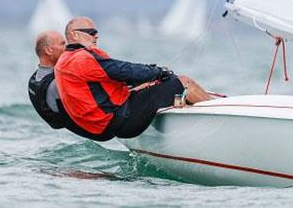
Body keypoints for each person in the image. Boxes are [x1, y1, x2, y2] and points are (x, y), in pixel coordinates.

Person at [54, 16, 212, 140]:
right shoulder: (81, 59)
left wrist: (151, 80)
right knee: (183, 82)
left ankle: (188, 117)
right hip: (122, 120)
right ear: (74, 34)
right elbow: (125, 70)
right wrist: (158, 71)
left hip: (108, 124)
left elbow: (112, 81)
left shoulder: (64, 60)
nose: (96, 35)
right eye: (91, 32)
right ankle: (216, 115)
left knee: (154, 84)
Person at [28, 30, 114, 141]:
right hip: (101, 130)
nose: (67, 47)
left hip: (79, 129)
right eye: (62, 44)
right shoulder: (59, 82)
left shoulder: (34, 79)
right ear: (49, 50)